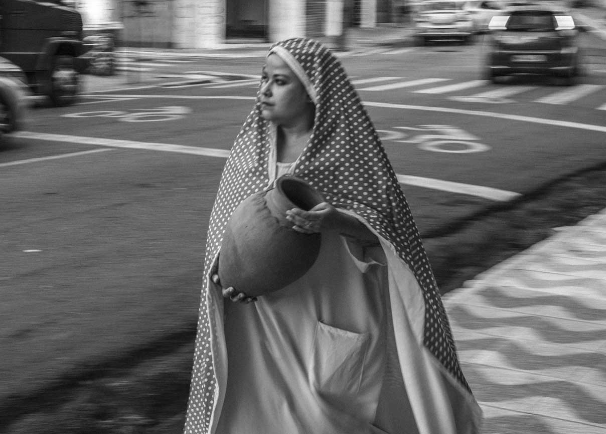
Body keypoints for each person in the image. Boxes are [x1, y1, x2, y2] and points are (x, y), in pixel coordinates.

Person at [184, 38, 482, 434]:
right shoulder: (249, 153)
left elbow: (392, 236)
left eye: (279, 82)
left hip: (329, 318)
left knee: (328, 419)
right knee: (256, 415)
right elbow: (224, 235)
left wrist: (336, 220)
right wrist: (229, 277)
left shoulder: (349, 155)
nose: (264, 91)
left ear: (313, 91)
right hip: (258, 321)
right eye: (263, 79)